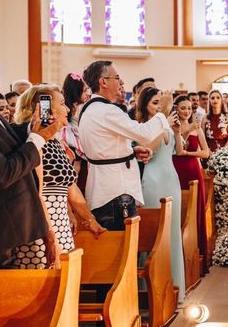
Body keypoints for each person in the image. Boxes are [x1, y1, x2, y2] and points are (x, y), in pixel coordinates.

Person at [0, 51, 59, 269]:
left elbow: (9, 140)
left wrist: (32, 127)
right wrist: (36, 139)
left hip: (10, 227)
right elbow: (1, 174)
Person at [14, 85, 106, 264]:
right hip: (41, 227)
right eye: (62, 104)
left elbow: (70, 186)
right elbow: (37, 191)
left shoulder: (55, 141)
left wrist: (89, 220)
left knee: (65, 285)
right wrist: (48, 233)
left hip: (61, 224)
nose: (66, 109)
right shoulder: (35, 142)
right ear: (44, 109)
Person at [78, 61, 174, 231]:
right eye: (117, 78)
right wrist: (164, 110)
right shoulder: (107, 110)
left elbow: (103, 149)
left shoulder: (89, 109)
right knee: (125, 251)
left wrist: (130, 152)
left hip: (104, 189)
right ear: (103, 82)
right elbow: (144, 133)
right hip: (116, 193)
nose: (122, 83)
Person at [138, 87, 187, 302]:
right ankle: (151, 290)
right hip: (154, 182)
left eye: (161, 103)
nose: (158, 107)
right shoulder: (142, 128)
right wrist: (164, 120)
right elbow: (149, 147)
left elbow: (179, 151)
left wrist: (175, 130)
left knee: (173, 233)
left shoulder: (166, 126)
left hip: (171, 180)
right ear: (145, 106)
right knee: (154, 233)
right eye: (154, 103)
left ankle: (175, 287)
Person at [171, 95, 209, 270]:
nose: (186, 111)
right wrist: (185, 132)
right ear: (176, 109)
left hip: (193, 169)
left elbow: (206, 153)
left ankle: (198, 252)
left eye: (189, 108)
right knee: (180, 208)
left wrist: (190, 155)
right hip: (176, 169)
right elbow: (178, 150)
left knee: (196, 208)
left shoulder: (197, 128)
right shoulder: (173, 128)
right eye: (182, 108)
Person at [61, 72, 91, 192]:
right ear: (76, 92)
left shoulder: (81, 106)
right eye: (84, 91)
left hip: (77, 141)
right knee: (75, 170)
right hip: (71, 142)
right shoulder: (76, 107)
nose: (87, 94)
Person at [201, 89, 228, 154]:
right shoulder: (204, 118)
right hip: (208, 152)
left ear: (221, 100)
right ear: (209, 101)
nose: (215, 100)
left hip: (225, 152)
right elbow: (202, 139)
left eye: (218, 97)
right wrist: (209, 152)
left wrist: (223, 153)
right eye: (212, 98)